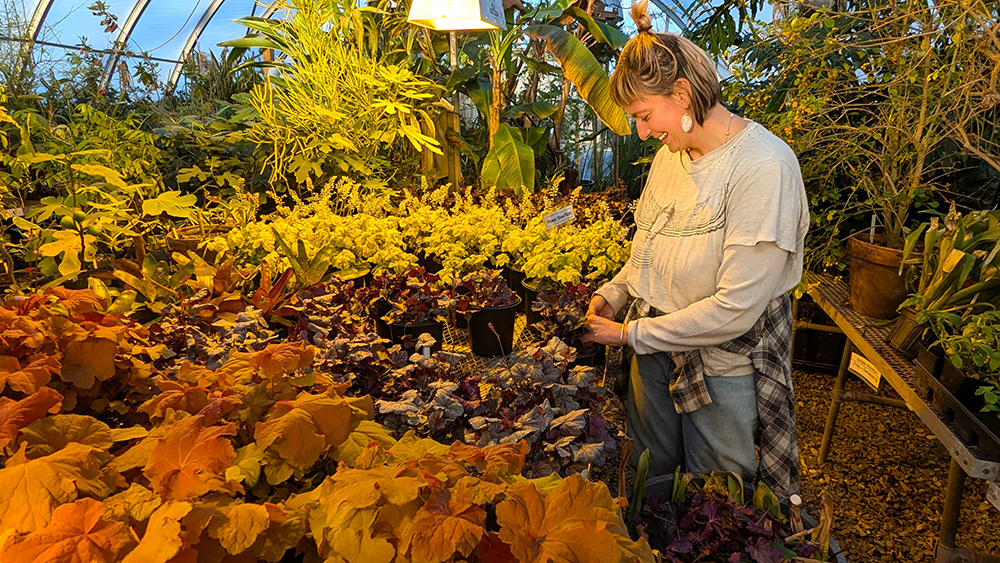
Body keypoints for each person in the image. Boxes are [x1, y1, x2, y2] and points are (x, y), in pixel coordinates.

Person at [581, 0, 808, 497]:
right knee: (650, 476)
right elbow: (648, 246)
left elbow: (735, 310)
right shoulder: (672, 156)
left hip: (723, 365)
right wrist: (614, 293)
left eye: (644, 116)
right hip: (651, 352)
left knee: (717, 493)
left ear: (682, 94)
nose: (641, 132)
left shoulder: (763, 167)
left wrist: (627, 336)